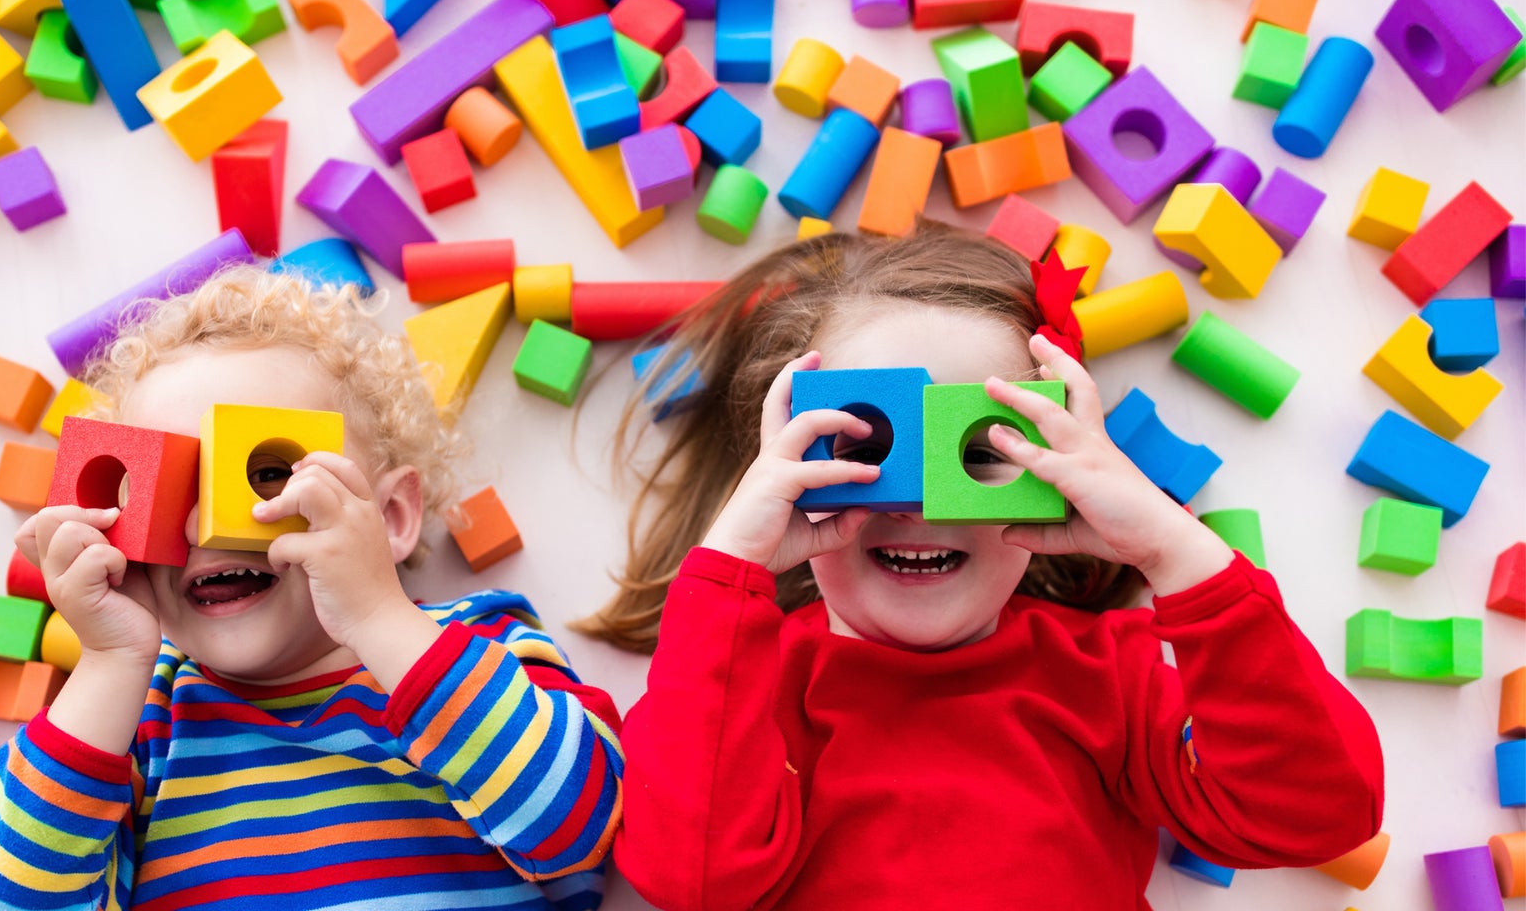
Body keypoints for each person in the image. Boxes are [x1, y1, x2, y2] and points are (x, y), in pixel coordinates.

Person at [586, 223, 1384, 909]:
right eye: (870, 451)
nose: (924, 507)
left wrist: (1174, 551)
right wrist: (731, 570)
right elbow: (690, 881)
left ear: (1056, 476)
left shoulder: (1108, 676)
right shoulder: (750, 686)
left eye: (976, 453)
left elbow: (1322, 811)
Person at [0, 267, 624, 911]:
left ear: (390, 519)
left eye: (266, 473)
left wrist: (381, 617)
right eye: (167, 489)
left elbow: (583, 825)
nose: (206, 524)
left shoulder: (478, 647)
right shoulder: (138, 719)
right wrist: (110, 664)